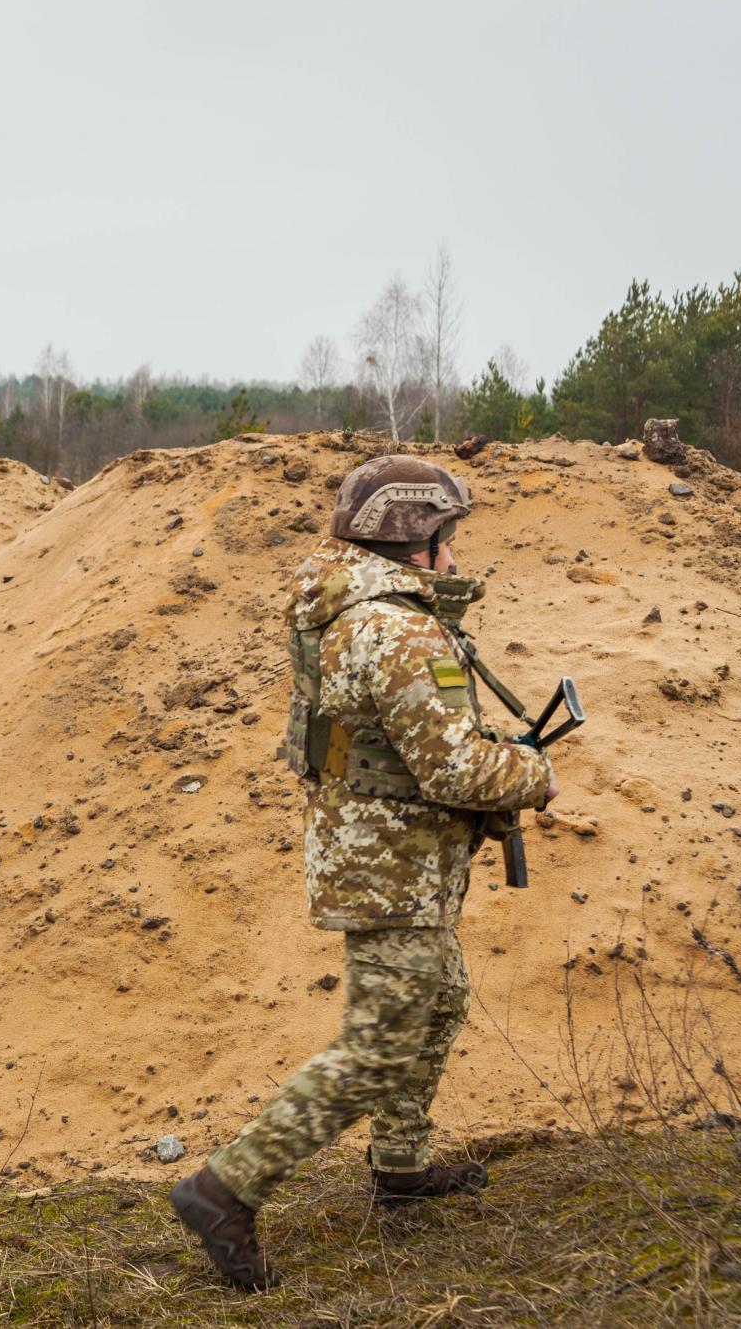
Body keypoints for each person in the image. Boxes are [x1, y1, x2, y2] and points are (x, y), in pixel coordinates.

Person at [168, 454, 559, 1291]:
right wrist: (533, 774)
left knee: (439, 997)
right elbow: (455, 770)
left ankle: (401, 1164)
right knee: (379, 1048)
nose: (455, 557)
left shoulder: (356, 609)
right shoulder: (397, 628)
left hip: (384, 852)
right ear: (415, 541)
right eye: (447, 539)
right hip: (393, 867)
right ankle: (224, 1188)